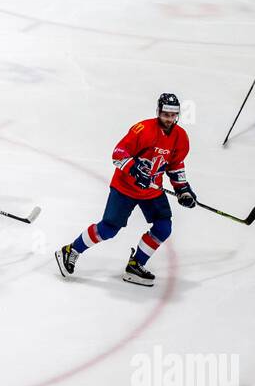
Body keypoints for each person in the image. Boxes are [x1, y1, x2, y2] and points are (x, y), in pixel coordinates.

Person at [54, 94, 195, 287]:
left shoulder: (180, 137)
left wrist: (183, 190)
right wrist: (135, 169)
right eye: (165, 114)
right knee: (109, 229)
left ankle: (136, 264)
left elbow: (175, 165)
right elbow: (118, 153)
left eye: (173, 115)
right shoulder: (143, 129)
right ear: (158, 112)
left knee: (163, 227)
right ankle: (71, 251)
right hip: (125, 187)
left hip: (151, 191)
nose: (169, 119)